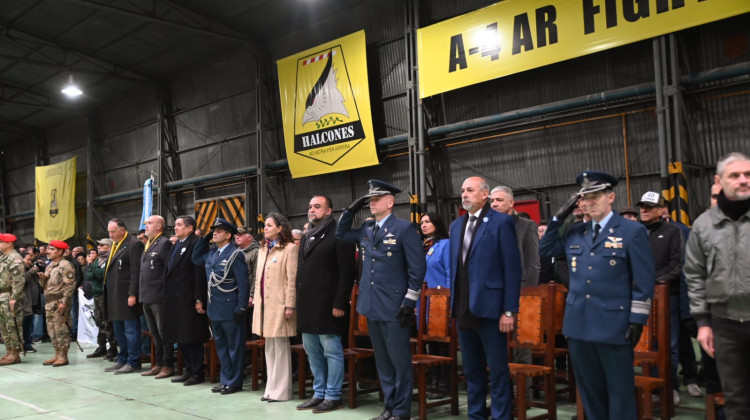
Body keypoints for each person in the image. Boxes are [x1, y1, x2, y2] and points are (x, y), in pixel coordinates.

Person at [539, 171, 655, 420]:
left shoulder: (631, 231)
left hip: (614, 326)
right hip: (578, 325)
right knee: (590, 393)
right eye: (584, 198)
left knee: (620, 393)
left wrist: (637, 320)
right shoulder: (574, 231)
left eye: (595, 196)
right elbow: (545, 248)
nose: (589, 202)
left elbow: (644, 282)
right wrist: (560, 216)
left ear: (610, 197)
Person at [336, 179, 426, 420]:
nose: (371, 203)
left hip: (396, 306)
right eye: (369, 200)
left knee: (400, 362)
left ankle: (402, 411)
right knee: (383, 361)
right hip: (372, 303)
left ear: (390, 202)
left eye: (376, 199)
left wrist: (410, 301)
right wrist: (351, 210)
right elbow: (341, 233)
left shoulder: (404, 229)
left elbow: (417, 269)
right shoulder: (367, 229)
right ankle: (389, 407)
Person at [448, 177, 522, 420]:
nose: (464, 195)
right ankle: (476, 415)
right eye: (462, 191)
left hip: (491, 310)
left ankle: (501, 416)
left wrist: (509, 310)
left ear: (485, 194)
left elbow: (512, 269)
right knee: (471, 370)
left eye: (470, 190)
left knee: (498, 370)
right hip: (463, 309)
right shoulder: (456, 226)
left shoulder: (501, 223)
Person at [685, 152, 750, 420]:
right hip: (724, 323)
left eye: (748, 175)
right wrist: (703, 323)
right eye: (735, 176)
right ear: (719, 180)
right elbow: (694, 275)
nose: (743, 180)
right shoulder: (703, 226)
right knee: (735, 399)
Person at [295, 196, 355, 412]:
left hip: (329, 304)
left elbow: (347, 272)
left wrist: (340, 302)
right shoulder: (307, 235)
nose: (311, 209)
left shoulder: (340, 234)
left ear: (329, 211)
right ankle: (319, 392)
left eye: (317, 206)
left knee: (331, 351)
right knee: (312, 352)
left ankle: (333, 395)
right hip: (308, 304)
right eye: (310, 206)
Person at [636, 191, 685, 405]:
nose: (644, 210)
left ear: (661, 209)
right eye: (642, 206)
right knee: (642, 345)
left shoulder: (673, 232)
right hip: (637, 297)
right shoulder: (634, 232)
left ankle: (669, 387)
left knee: (668, 344)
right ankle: (648, 385)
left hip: (666, 297)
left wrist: (654, 282)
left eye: (649, 206)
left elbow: (677, 264)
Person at [192, 217, 249, 394]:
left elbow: (243, 283)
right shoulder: (211, 254)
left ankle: (235, 381)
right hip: (214, 308)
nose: (215, 233)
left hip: (230, 308)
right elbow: (195, 258)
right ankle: (226, 380)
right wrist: (205, 238)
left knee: (234, 347)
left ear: (228, 234)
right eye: (213, 231)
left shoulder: (235, 254)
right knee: (222, 348)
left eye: (218, 231)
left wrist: (241, 307)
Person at [252, 213, 298, 402]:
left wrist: (290, 305)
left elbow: (291, 279)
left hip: (280, 304)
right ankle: (270, 388)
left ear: (280, 228)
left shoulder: (289, 248)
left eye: (270, 225)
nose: (266, 228)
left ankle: (281, 391)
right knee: (269, 347)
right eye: (265, 225)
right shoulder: (263, 248)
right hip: (264, 304)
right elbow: (258, 279)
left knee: (280, 347)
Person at [163, 216, 210, 386]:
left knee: (192, 336)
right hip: (176, 298)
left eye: (179, 225)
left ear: (190, 228)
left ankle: (197, 372)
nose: (175, 228)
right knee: (181, 335)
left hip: (189, 297)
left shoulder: (196, 243)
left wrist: (199, 299)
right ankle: (189, 369)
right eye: (175, 225)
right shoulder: (178, 244)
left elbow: (199, 274)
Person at [104, 218, 145, 374]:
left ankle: (133, 360)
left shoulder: (134, 244)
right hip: (115, 295)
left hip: (127, 295)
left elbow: (136, 272)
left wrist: (133, 293)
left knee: (131, 330)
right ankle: (122, 358)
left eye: (113, 231)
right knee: (119, 330)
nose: (111, 234)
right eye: (109, 231)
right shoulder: (115, 245)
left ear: (122, 230)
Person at [419, 211, 451, 399]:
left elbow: (450, 272)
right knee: (430, 343)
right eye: (422, 222)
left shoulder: (444, 245)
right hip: (424, 301)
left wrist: (448, 298)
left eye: (428, 221)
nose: (424, 225)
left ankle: (444, 382)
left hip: (440, 301)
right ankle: (434, 380)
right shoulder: (422, 246)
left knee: (442, 343)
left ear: (437, 224)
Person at [138, 215, 173, 378]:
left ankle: (167, 364)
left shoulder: (164, 243)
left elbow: (167, 270)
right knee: (154, 333)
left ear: (159, 226)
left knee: (163, 332)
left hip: (159, 295)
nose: (147, 226)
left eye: (150, 223)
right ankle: (158, 363)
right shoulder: (150, 244)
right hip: (147, 295)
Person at [37, 240, 77, 367]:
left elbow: (70, 284)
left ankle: (63, 356)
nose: (48, 251)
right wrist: (43, 278)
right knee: (51, 329)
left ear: (60, 251)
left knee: (61, 329)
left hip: (59, 301)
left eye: (52, 249)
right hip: (49, 301)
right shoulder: (50, 265)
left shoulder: (65, 265)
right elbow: (46, 284)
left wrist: (64, 302)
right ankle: (57, 354)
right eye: (48, 249)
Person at [86, 238, 118, 360]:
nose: (99, 247)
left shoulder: (110, 259)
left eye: (102, 245)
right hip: (97, 294)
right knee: (99, 322)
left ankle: (112, 348)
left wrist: (92, 268)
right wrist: (94, 269)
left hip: (105, 294)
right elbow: (88, 275)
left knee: (107, 322)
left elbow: (102, 274)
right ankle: (101, 347)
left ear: (109, 247)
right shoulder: (97, 261)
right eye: (98, 245)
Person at [0, 233, 25, 365]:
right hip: (2, 296)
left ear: (9, 243)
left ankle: (15, 353)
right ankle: (9, 351)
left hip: (10, 296)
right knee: (4, 326)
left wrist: (14, 298)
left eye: (1, 242)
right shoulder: (4, 258)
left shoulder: (15, 259)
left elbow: (19, 281)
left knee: (12, 325)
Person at [21, 252, 42, 353]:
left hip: (33, 302)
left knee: (29, 325)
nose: (30, 262)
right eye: (27, 260)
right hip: (25, 303)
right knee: (24, 325)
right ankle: (24, 345)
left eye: (31, 260)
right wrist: (32, 272)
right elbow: (22, 281)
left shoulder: (29, 269)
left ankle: (28, 343)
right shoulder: (19, 269)